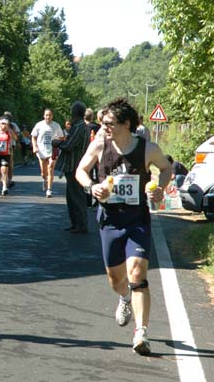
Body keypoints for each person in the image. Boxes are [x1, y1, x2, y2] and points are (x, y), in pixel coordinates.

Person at [76, 98, 171, 356]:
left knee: (138, 273)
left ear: (125, 124)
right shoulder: (99, 145)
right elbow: (81, 171)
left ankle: (141, 333)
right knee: (116, 279)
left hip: (137, 218)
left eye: (108, 123)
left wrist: (160, 188)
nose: (103, 127)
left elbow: (166, 168)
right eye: (102, 123)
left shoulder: (146, 148)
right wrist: (91, 187)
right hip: (110, 220)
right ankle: (124, 297)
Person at [56, 101, 90, 233]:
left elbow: (69, 145)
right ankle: (76, 223)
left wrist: (58, 143)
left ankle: (81, 224)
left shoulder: (79, 127)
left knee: (76, 196)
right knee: (72, 196)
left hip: (75, 166)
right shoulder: (81, 126)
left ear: (74, 113)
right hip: (75, 165)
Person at [31, 108, 64, 198]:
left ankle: (49, 189)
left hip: (52, 150)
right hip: (41, 150)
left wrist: (56, 141)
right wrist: (35, 146)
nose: (48, 117)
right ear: (44, 116)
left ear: (52, 116)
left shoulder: (56, 126)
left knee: (50, 168)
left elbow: (61, 137)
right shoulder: (39, 125)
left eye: (49, 115)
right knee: (43, 172)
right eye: (46, 115)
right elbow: (33, 136)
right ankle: (45, 179)